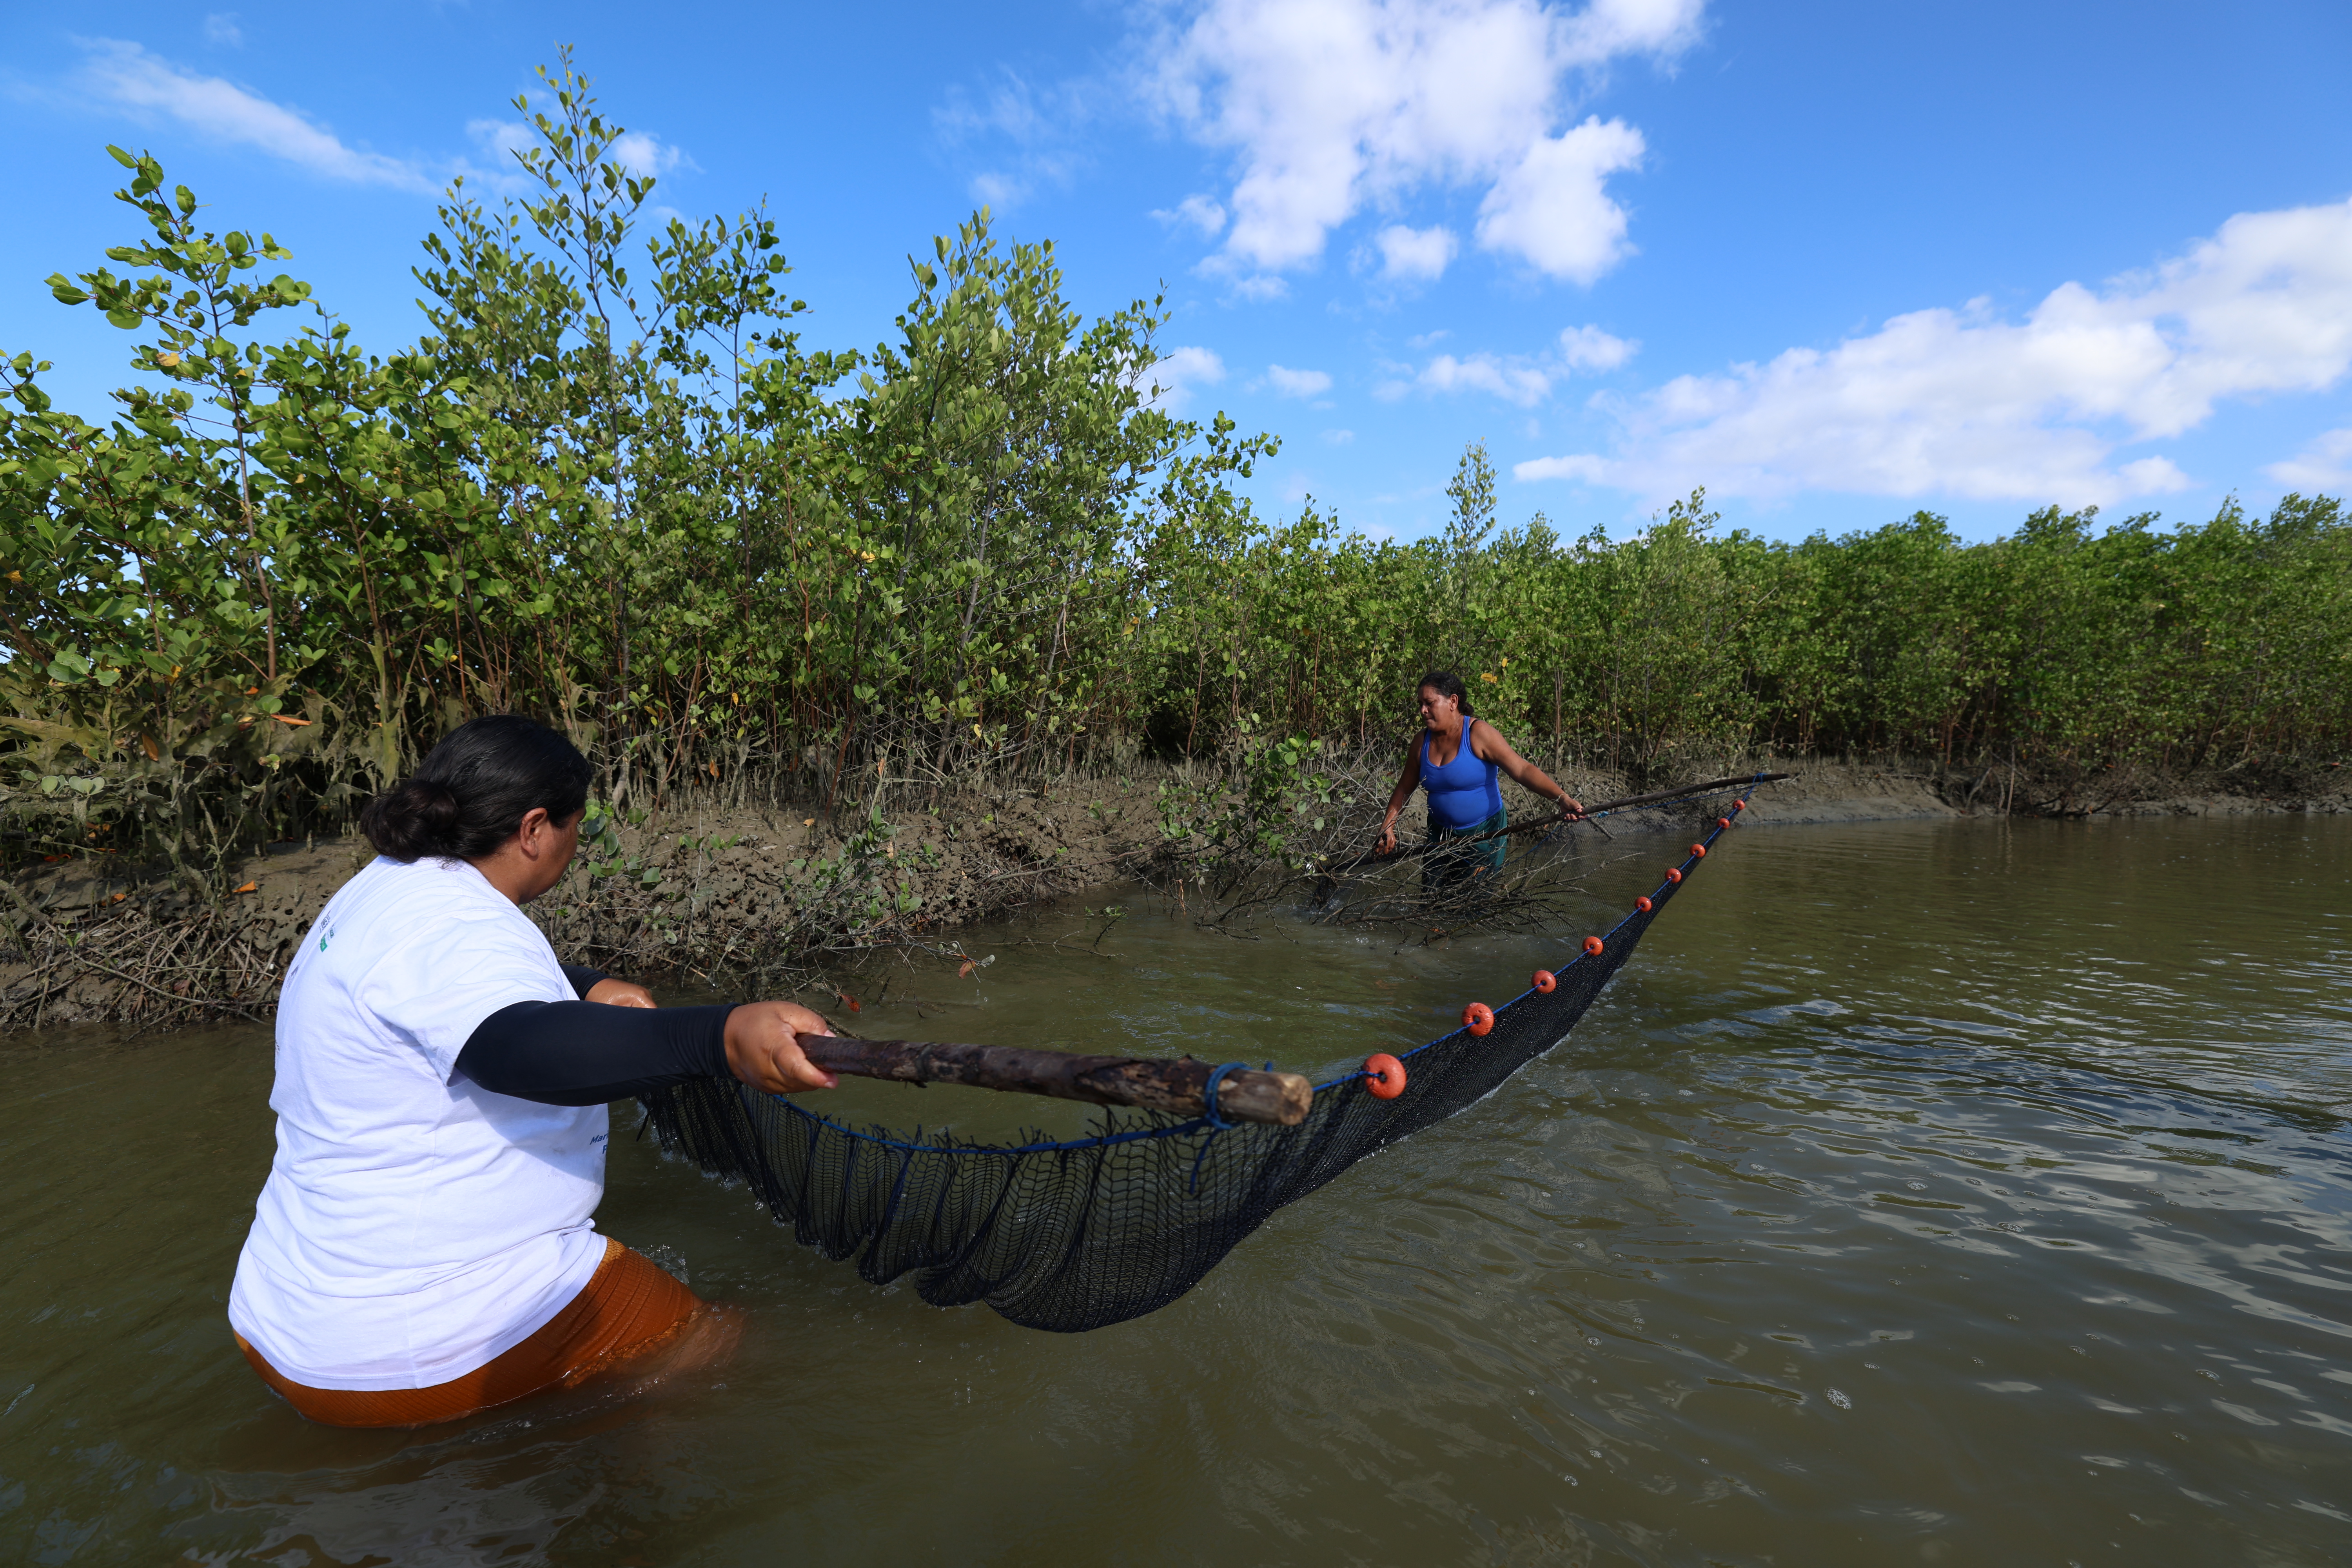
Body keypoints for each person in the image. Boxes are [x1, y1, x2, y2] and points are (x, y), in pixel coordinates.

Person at [228, 714, 836, 1429]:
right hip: (405, 1343)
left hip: (279, 1315)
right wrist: (722, 1037)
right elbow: (518, 1050)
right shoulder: (459, 926)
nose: (576, 846)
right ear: (535, 829)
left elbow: (444, 994)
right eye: (577, 826)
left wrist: (583, 987)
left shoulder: (390, 887)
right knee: (718, 1345)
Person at [1376, 671, 1583, 891]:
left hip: (1485, 834)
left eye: (1429, 703)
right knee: (1432, 898)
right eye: (1420, 704)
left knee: (1474, 901)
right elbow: (1404, 788)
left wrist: (1561, 797)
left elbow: (1522, 769)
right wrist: (1387, 827)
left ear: (1453, 702)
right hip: (1440, 835)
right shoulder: (1421, 742)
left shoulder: (1478, 734)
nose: (1423, 711)